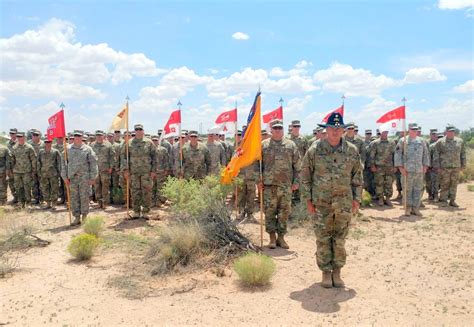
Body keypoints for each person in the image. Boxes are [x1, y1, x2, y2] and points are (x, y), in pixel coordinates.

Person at [301, 112, 363, 288]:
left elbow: (357, 177)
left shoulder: (352, 151)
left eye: (338, 128)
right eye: (332, 128)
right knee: (323, 238)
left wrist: (357, 199)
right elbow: (305, 177)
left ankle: (337, 272)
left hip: (344, 203)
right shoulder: (314, 150)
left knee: (340, 238)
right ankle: (325, 273)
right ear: (326, 130)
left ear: (343, 130)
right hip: (321, 203)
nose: (335, 131)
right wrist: (308, 201)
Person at [261, 119, 301, 250]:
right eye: (275, 128)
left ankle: (281, 237)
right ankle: (272, 238)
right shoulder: (264, 145)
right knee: (270, 212)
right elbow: (257, 164)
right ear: (271, 130)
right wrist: (258, 180)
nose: (277, 130)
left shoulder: (291, 145)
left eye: (280, 128)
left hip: (285, 186)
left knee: (284, 212)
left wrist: (296, 181)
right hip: (269, 185)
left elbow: (297, 166)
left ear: (283, 130)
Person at [61, 130, 98, 225]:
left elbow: (93, 163)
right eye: (76, 135)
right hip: (72, 178)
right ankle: (76, 217)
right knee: (74, 198)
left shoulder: (87, 149)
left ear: (82, 137)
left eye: (79, 136)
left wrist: (93, 177)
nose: (77, 137)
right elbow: (63, 164)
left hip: (84, 178)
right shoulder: (67, 149)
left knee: (84, 197)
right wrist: (64, 177)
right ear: (73, 137)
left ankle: (84, 216)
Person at [121, 124, 157, 219]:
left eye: (140, 129)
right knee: (135, 192)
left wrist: (153, 170)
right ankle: (136, 211)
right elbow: (124, 157)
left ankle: (146, 211)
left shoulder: (149, 143)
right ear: (134, 131)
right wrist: (125, 170)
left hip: (146, 172)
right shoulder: (129, 143)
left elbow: (154, 157)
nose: (138, 131)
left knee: (147, 192)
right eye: (136, 129)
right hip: (134, 172)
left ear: (143, 131)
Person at [394, 123, 430, 216]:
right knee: (407, 190)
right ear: (408, 130)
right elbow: (397, 155)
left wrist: (425, 166)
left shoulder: (422, 141)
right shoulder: (403, 141)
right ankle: (407, 208)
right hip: (407, 171)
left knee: (418, 189)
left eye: (416, 129)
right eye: (412, 129)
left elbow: (426, 154)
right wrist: (400, 168)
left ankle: (416, 208)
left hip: (419, 170)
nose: (414, 131)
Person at [432, 125, 466, 207]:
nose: (451, 133)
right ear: (446, 132)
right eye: (449, 131)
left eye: (453, 131)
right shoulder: (440, 142)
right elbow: (436, 154)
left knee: (454, 184)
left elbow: (463, 154)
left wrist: (463, 165)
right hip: (444, 167)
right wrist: (437, 166)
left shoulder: (459, 141)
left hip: (456, 166)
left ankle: (452, 200)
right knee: (444, 184)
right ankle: (443, 201)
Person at [369, 129, 396, 206]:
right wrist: (372, 165)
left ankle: (388, 198)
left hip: (389, 167)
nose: (384, 134)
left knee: (389, 183)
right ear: (380, 133)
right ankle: (380, 198)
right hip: (379, 167)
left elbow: (395, 155)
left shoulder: (392, 142)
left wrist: (395, 166)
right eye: (383, 132)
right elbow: (372, 156)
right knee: (379, 183)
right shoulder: (375, 143)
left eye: (386, 132)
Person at [11, 132, 37, 208]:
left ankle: (28, 202)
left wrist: (34, 171)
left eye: (21, 136)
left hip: (27, 171)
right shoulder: (14, 147)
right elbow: (12, 160)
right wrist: (12, 169)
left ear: (24, 137)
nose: (19, 138)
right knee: (18, 187)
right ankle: (20, 202)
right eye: (18, 137)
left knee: (27, 187)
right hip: (17, 171)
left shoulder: (29, 147)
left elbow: (33, 160)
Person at [91, 130, 114, 209]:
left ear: (103, 136)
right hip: (95, 169)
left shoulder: (108, 145)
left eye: (100, 135)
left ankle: (105, 203)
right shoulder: (92, 145)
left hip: (105, 169)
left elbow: (112, 157)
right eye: (97, 135)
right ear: (95, 136)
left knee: (105, 186)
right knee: (97, 186)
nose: (99, 137)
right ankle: (99, 202)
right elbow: (90, 158)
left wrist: (111, 167)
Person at [37, 139, 61, 209]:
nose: (47, 143)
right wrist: (38, 171)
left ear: (51, 142)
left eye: (49, 142)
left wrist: (59, 172)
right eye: (46, 142)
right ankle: (48, 203)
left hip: (53, 174)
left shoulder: (55, 151)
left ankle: (54, 203)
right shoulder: (41, 152)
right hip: (43, 173)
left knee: (54, 188)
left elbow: (59, 163)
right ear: (44, 143)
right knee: (45, 188)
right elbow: (38, 162)